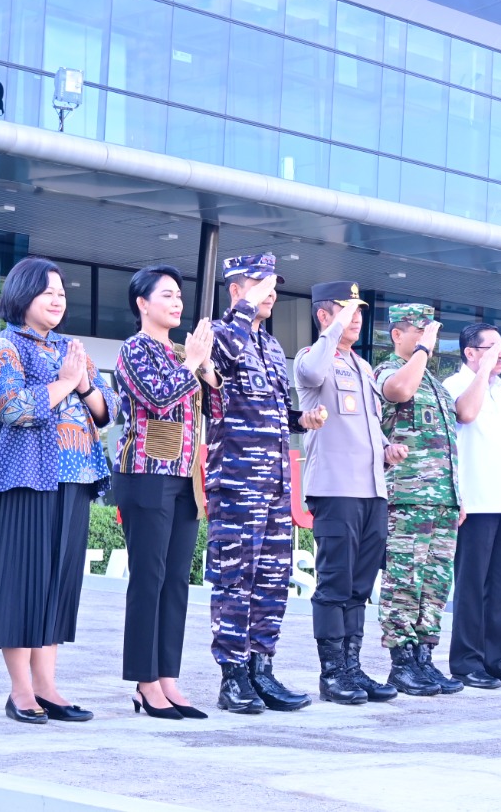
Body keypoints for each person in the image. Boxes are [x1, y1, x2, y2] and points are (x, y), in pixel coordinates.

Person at [0, 256, 116, 725]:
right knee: (22, 584)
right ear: (23, 295)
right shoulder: (3, 348)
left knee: (56, 586)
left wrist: (85, 383)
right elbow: (13, 408)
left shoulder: (73, 348)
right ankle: (21, 691)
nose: (57, 299)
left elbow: (106, 412)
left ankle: (49, 686)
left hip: (75, 478)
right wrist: (67, 382)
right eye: (47, 291)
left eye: (62, 293)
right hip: (24, 479)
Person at [207, 256, 324, 714]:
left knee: (273, 580)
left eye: (273, 284)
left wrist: (303, 419)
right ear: (235, 289)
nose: (270, 291)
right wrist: (243, 309)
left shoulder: (273, 347)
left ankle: (261, 668)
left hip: (275, 481)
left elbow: (271, 411)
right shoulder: (220, 334)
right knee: (236, 578)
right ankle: (232, 676)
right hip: (237, 481)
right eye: (259, 283)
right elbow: (223, 362)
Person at [113, 265, 223, 719]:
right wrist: (193, 363)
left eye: (180, 296)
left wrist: (208, 366)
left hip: (184, 477)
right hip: (145, 473)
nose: (177, 303)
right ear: (142, 304)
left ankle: (168, 678)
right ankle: (144, 682)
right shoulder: (133, 349)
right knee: (149, 579)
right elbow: (158, 398)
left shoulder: (182, 351)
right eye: (167, 296)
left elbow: (215, 405)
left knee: (178, 580)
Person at [294, 281, 404, 706]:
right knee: (335, 584)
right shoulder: (313, 357)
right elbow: (310, 375)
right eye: (346, 311)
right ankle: (332, 672)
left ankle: (353, 667)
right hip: (336, 490)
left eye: (358, 312)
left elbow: (367, 426)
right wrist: (334, 329)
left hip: (372, 490)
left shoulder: (362, 366)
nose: (355, 319)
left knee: (360, 586)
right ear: (324, 315)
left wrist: (387, 451)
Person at [375, 304, 478, 697]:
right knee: (404, 580)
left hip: (441, 501)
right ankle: (401, 663)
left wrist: (456, 496)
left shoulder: (433, 382)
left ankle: (423, 657)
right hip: (407, 498)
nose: (426, 338)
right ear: (397, 334)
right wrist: (421, 352)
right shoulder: (389, 370)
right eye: (417, 331)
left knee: (434, 583)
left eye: (428, 332)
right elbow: (399, 392)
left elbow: (451, 436)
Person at [443, 322, 501, 689]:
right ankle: (466, 662)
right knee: (472, 584)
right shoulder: (454, 385)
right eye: (493, 349)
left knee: (500, 585)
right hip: (474, 502)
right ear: (471, 352)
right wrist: (482, 373)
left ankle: (496, 659)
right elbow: (465, 417)